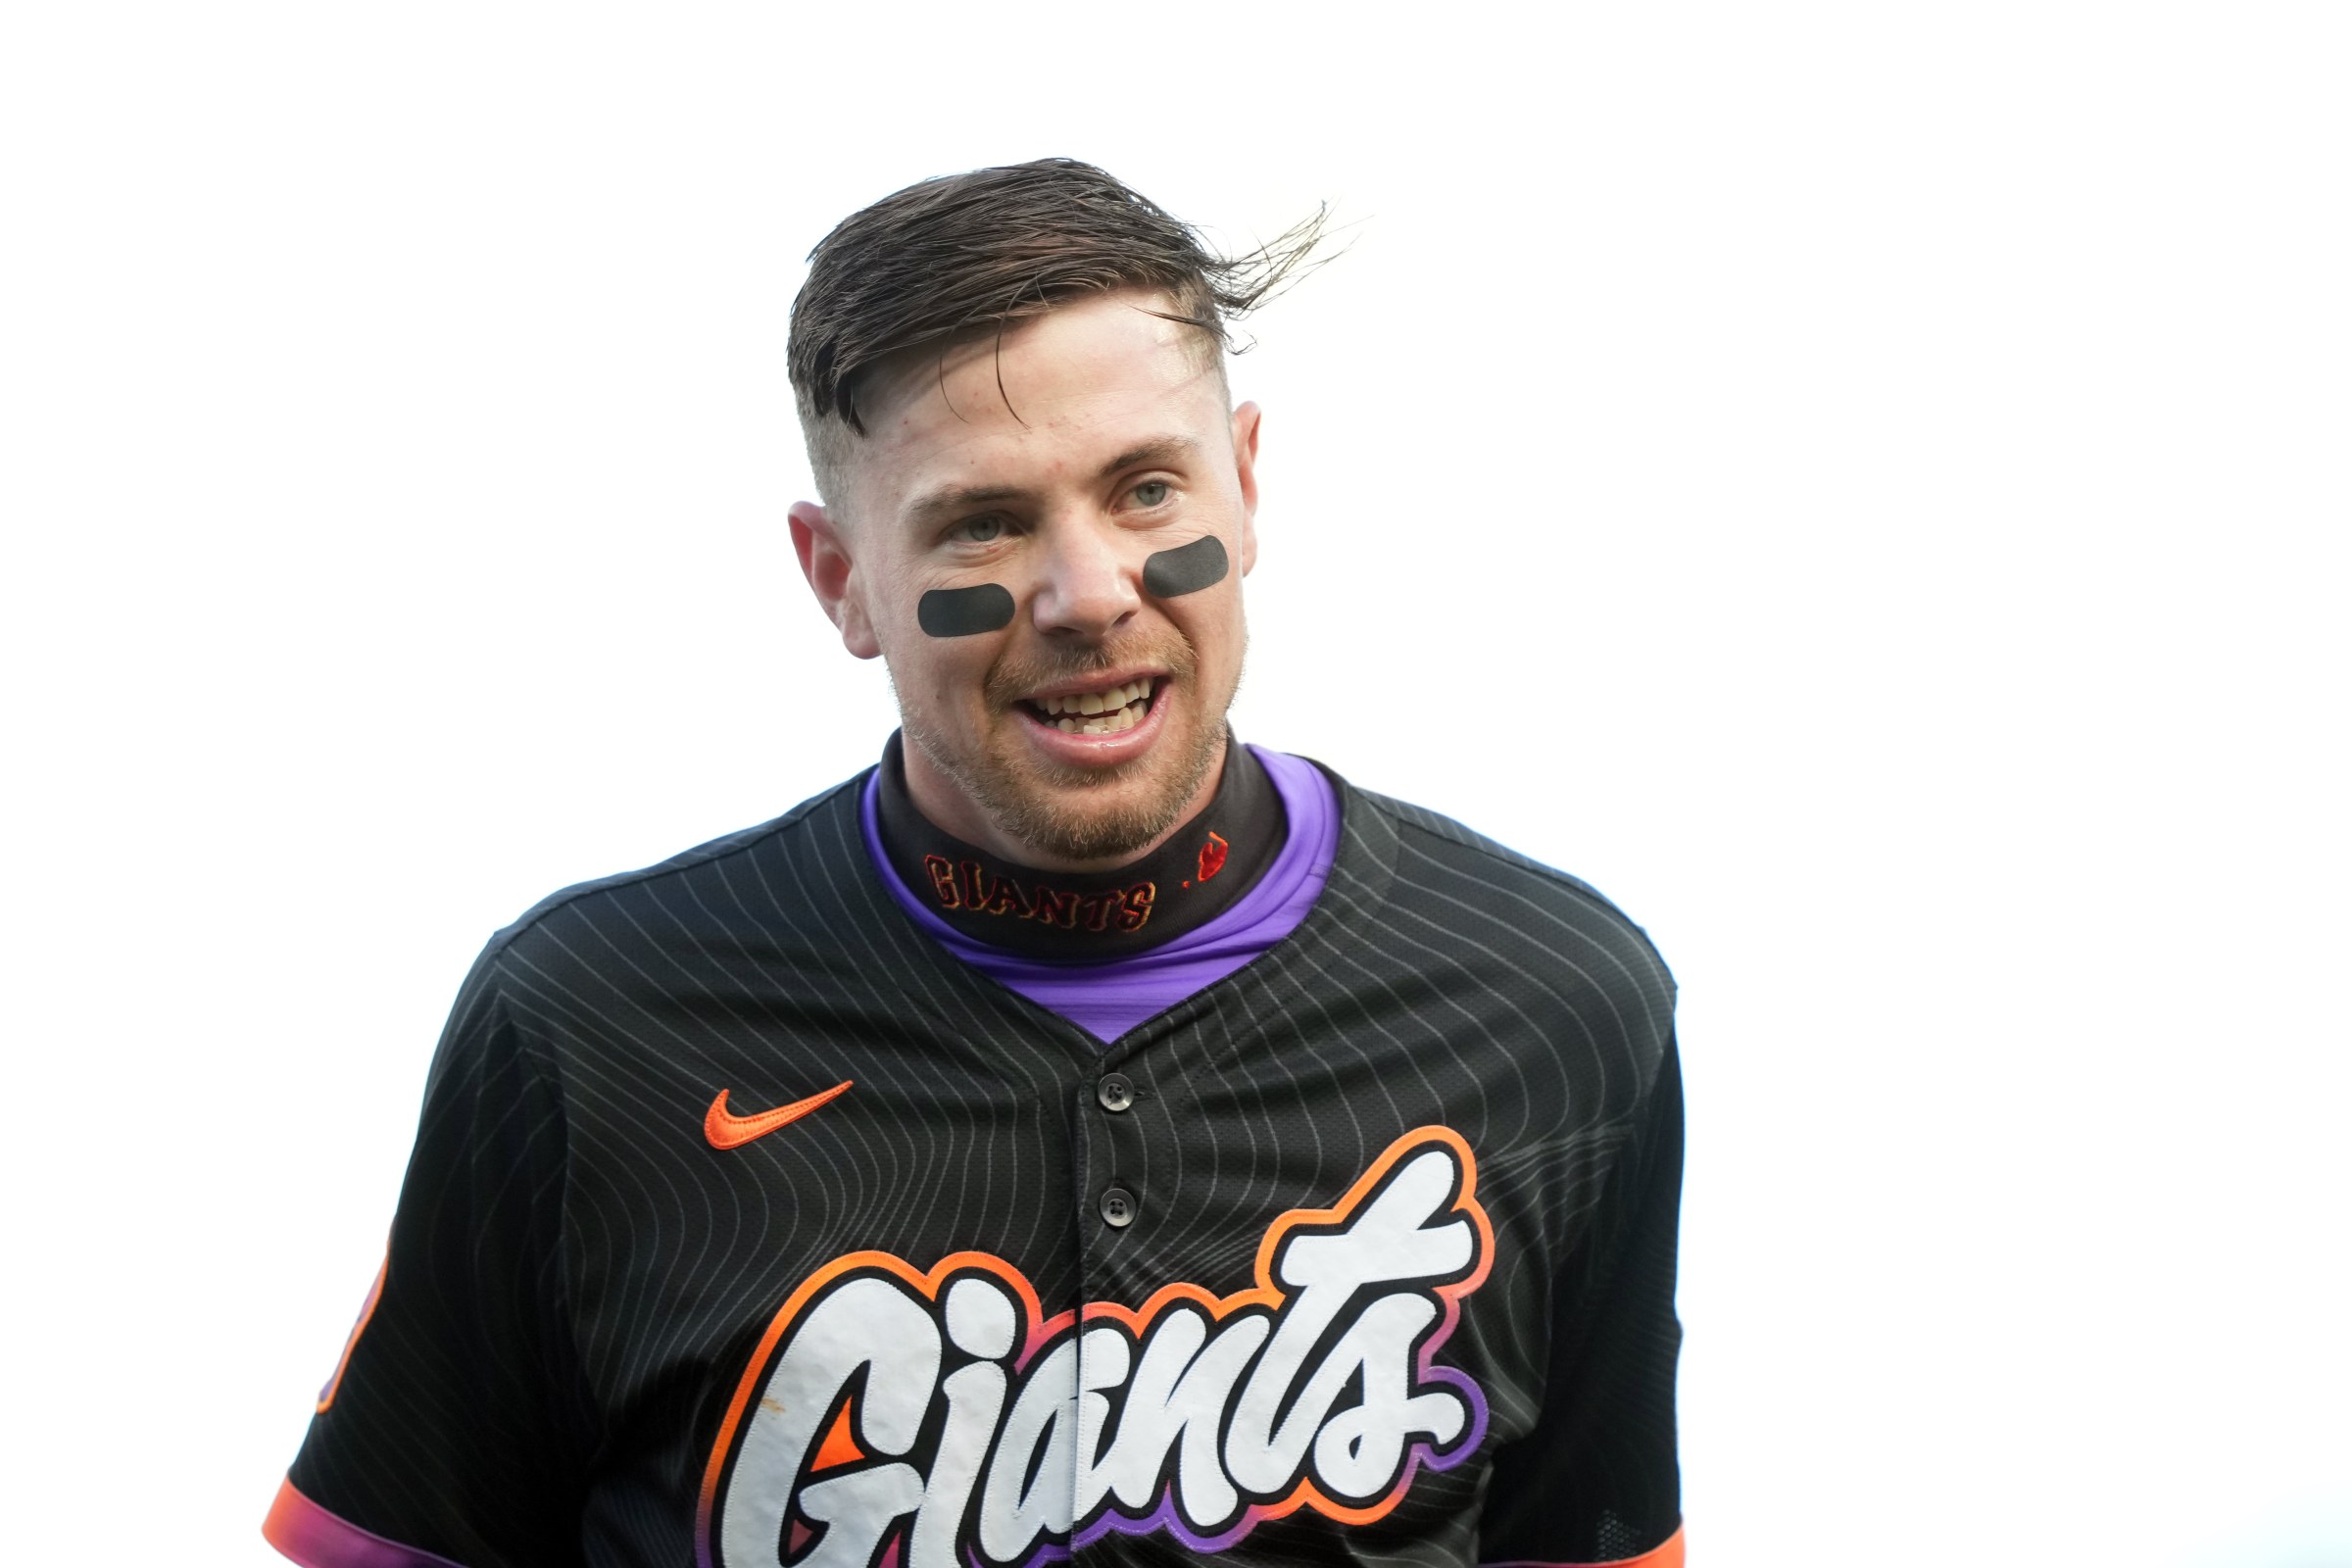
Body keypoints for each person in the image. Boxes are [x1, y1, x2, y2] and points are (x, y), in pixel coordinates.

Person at [263, 157, 1686, 1568]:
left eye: (1145, 491)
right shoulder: (587, 1023)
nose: (1088, 597)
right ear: (841, 581)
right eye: (985, 523)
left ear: (1245, 489)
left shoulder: (1556, 1005)